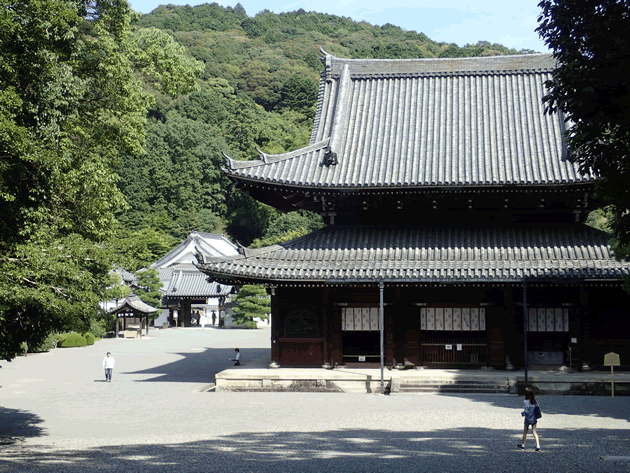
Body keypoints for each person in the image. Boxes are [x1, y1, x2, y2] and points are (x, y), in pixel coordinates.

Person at [518, 387, 541, 451]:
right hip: (533, 418)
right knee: (534, 432)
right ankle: (538, 445)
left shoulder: (526, 401)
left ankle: (523, 445)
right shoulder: (535, 401)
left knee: (525, 432)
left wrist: (522, 414)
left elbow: (526, 411)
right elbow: (537, 408)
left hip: (527, 418)